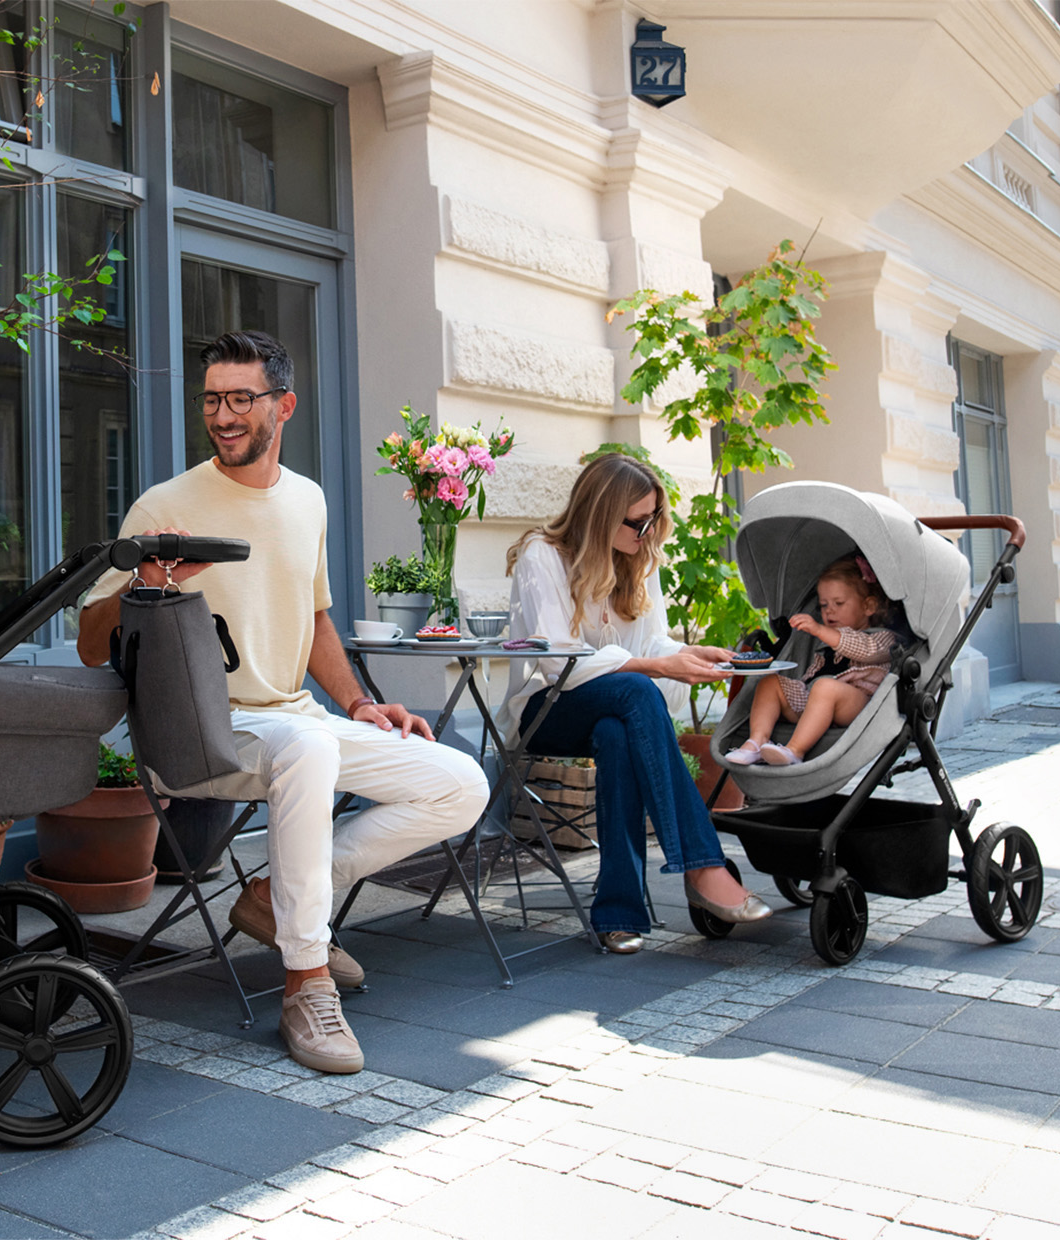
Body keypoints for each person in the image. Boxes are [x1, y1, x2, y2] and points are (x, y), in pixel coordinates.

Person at [77, 330, 489, 1075]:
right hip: (202, 727)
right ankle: (305, 979)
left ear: (284, 405)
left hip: (296, 718)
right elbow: (88, 640)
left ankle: (279, 897)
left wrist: (361, 704)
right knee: (309, 749)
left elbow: (317, 618)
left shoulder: (309, 500)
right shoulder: (165, 505)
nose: (224, 416)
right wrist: (154, 577)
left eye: (241, 399)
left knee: (460, 782)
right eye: (212, 400)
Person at [496, 453, 772, 954]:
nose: (647, 531)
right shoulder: (543, 555)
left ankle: (618, 912)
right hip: (545, 709)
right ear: (601, 512)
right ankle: (702, 866)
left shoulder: (638, 558)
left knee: (618, 733)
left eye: (652, 520)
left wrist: (686, 654)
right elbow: (559, 664)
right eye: (637, 521)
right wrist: (658, 668)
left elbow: (652, 648)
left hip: (613, 707)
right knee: (638, 691)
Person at [726, 555, 897, 767]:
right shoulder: (825, 646)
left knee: (825, 687)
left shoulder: (882, 638)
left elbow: (861, 649)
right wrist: (795, 693)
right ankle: (757, 741)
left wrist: (819, 630)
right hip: (819, 701)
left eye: (839, 603)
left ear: (868, 607)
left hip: (859, 704)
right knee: (770, 683)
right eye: (824, 605)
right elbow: (811, 678)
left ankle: (794, 751)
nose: (829, 610)